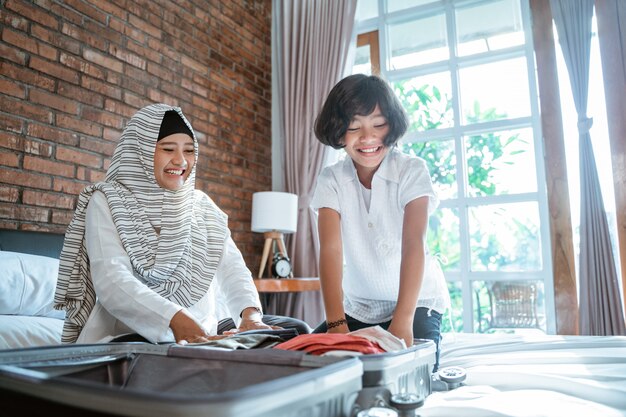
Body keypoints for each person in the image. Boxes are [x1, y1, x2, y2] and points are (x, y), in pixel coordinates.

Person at [54, 103, 310, 345]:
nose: (181, 160)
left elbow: (233, 269)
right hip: (134, 332)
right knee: (175, 352)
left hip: (206, 327)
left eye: (189, 150)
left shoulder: (202, 206)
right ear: (141, 150)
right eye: (168, 149)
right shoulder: (107, 200)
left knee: (295, 330)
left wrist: (250, 317)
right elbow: (112, 280)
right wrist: (175, 318)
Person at [310, 74, 450, 369]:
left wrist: (402, 322)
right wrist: (336, 325)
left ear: (392, 125)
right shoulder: (331, 180)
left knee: (412, 370)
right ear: (338, 132)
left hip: (417, 303)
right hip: (359, 306)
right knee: (308, 363)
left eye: (378, 124)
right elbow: (331, 250)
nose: (367, 137)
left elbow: (415, 245)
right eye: (353, 126)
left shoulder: (412, 171)